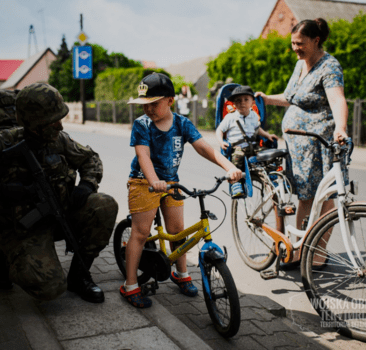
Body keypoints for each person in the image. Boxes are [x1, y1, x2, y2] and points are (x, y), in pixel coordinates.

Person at [0, 83, 118, 303]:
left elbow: (90, 158)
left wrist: (87, 185)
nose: (60, 126)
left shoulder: (58, 140)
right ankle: (4, 255)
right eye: (53, 122)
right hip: (22, 227)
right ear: (34, 124)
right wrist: (1, 190)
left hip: (58, 214)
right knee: (50, 288)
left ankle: (80, 277)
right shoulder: (0, 145)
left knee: (104, 205)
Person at [120, 72, 242, 308]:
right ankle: (130, 285)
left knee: (177, 231)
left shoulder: (182, 123)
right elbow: (142, 155)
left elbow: (205, 149)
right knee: (141, 232)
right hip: (143, 182)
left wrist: (230, 166)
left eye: (153, 104)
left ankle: (181, 273)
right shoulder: (141, 124)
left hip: (171, 182)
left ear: (170, 101)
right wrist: (154, 180)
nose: (148, 110)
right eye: (144, 105)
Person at [255, 18, 348, 265]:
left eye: (300, 43)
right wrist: (265, 98)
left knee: (324, 199)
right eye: (293, 43)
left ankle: (317, 254)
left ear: (316, 40)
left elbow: (337, 100)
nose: (295, 48)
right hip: (299, 147)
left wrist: (340, 127)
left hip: (320, 145)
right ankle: (299, 250)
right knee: (305, 198)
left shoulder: (329, 67)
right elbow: (291, 98)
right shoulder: (301, 64)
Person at [216, 85, 278, 197]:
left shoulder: (254, 116)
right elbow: (219, 130)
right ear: (233, 104)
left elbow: (257, 129)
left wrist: (267, 135)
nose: (242, 103)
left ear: (252, 102)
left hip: (252, 146)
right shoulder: (230, 117)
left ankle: (273, 176)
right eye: (238, 101)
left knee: (268, 154)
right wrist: (221, 141)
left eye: (246, 100)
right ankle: (236, 184)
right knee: (237, 158)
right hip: (237, 147)